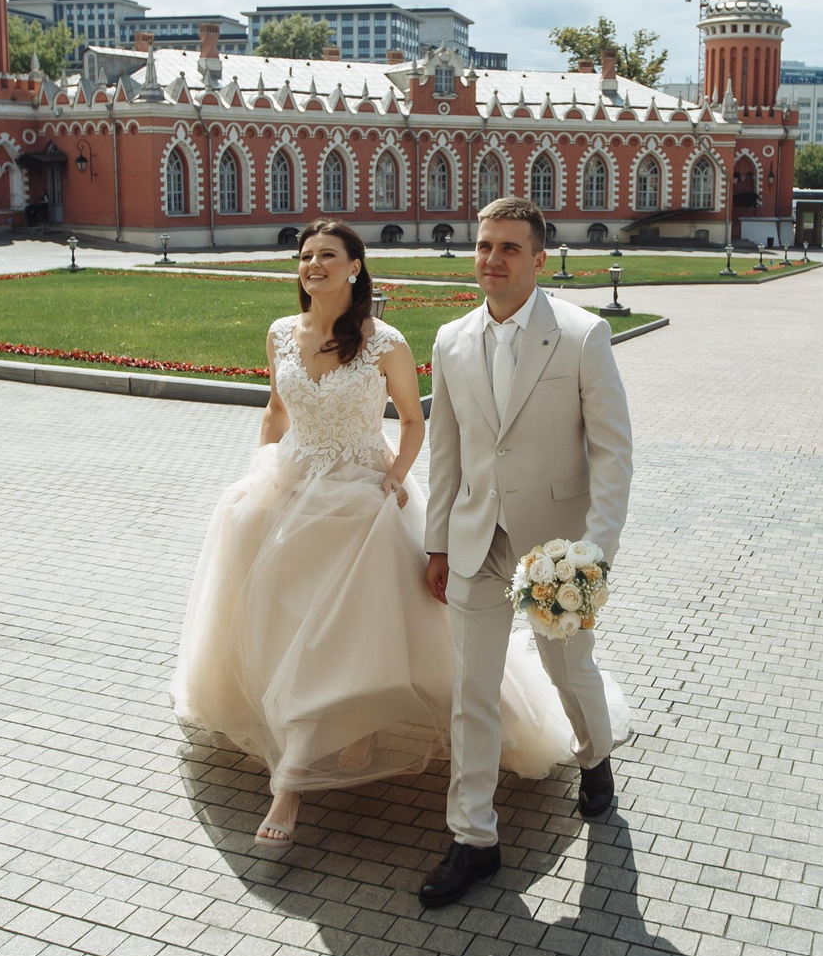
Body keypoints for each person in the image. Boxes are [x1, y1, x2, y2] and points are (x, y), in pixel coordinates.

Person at [174, 220, 581, 852]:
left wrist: (394, 475)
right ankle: (338, 724)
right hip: (287, 489)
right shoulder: (281, 332)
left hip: (361, 496)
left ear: (355, 267)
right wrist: (261, 470)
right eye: (306, 257)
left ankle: (291, 781)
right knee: (288, 622)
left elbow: (415, 421)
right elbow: (276, 410)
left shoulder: (383, 342)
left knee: (342, 627)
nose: (313, 266)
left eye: (327, 256)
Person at [418, 198, 633, 909]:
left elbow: (613, 455)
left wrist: (592, 556)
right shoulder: (450, 340)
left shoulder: (581, 336)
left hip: (556, 547)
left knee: (567, 667)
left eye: (509, 247)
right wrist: (438, 541)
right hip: (479, 541)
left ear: (539, 259)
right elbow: (445, 453)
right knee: (471, 691)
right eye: (483, 246)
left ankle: (595, 757)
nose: (492, 259)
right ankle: (473, 837)